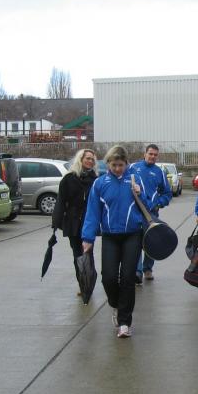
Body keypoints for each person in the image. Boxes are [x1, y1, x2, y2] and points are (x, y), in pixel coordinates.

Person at [82, 145, 153, 339]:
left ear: (126, 163)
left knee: (128, 278)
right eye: (114, 165)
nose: (118, 169)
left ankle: (124, 322)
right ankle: (115, 304)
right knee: (109, 277)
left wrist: (140, 194)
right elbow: (92, 212)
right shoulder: (100, 183)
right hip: (110, 236)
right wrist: (87, 238)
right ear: (108, 164)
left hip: (132, 235)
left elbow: (148, 207)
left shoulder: (134, 180)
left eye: (121, 165)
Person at [52, 148, 98, 292]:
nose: (90, 161)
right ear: (80, 159)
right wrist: (56, 221)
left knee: (88, 253)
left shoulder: (95, 180)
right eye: (88, 158)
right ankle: (82, 283)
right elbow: (61, 201)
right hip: (73, 222)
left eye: (92, 159)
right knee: (77, 254)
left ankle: (88, 282)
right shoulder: (69, 179)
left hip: (88, 222)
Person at [130, 144, 172, 283]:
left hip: (152, 213)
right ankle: (137, 272)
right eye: (150, 154)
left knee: (151, 240)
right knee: (135, 241)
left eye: (155, 155)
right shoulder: (133, 168)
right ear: (145, 154)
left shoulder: (159, 172)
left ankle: (148, 269)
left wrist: (159, 203)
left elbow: (167, 193)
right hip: (135, 211)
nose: (152, 156)